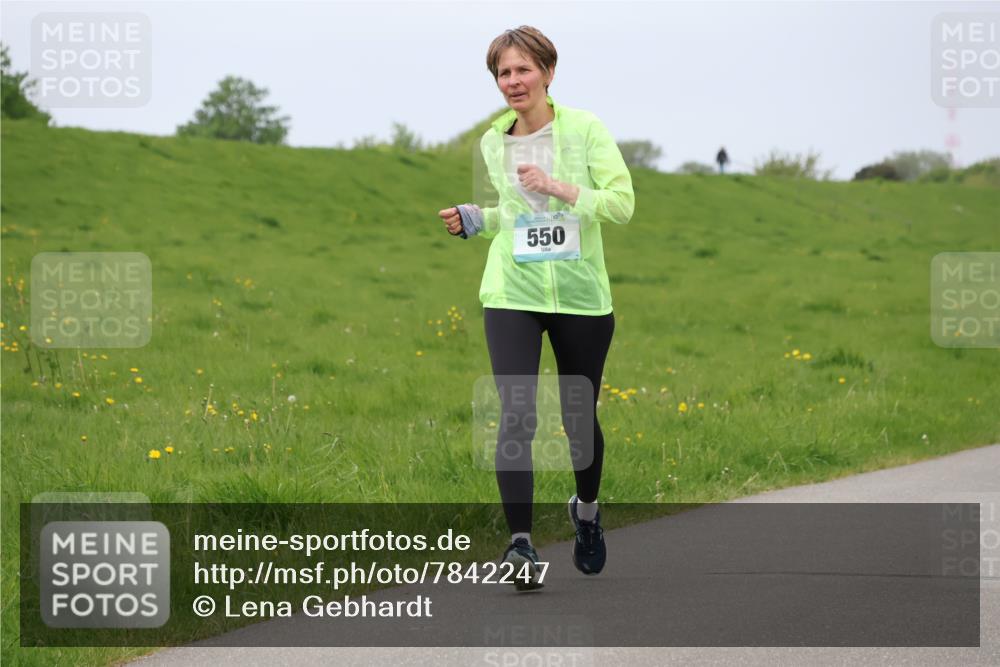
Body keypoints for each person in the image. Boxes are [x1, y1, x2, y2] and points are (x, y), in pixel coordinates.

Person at [437, 26, 634, 591]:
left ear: (548, 72)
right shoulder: (492, 141)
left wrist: (561, 187)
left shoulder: (586, 128)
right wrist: (478, 218)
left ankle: (587, 513)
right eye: (503, 73)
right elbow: (516, 217)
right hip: (511, 292)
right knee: (517, 413)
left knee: (578, 421)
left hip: (580, 297)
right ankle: (520, 545)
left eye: (523, 69)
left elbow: (620, 204)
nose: (513, 82)